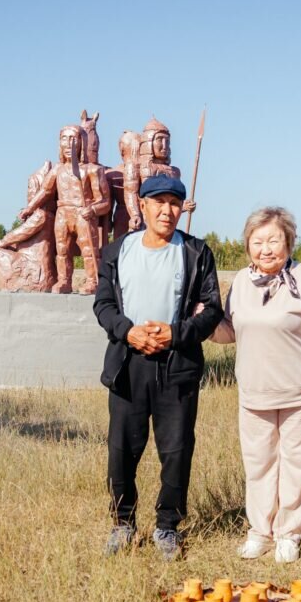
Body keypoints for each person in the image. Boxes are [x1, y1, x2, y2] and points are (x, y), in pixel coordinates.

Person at [93, 174, 222, 559]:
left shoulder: (197, 253)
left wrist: (177, 333)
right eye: (159, 202)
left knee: (177, 448)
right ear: (143, 206)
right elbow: (103, 305)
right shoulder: (117, 252)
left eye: (174, 203)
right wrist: (127, 331)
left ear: (182, 209)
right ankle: (123, 523)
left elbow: (213, 309)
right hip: (128, 364)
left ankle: (168, 527)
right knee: (122, 448)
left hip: (176, 366)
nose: (167, 211)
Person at [210, 207, 301, 563]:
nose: (266, 248)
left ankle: (289, 534)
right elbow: (229, 332)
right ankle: (259, 532)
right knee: (259, 466)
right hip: (254, 394)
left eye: (274, 240)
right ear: (247, 245)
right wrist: (201, 320)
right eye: (258, 241)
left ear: (289, 242)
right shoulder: (240, 282)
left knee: (298, 466)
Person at [19, 125, 109, 294]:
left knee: (89, 251)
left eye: (73, 139)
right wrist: (29, 208)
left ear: (82, 143)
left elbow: (105, 202)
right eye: (64, 139)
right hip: (63, 214)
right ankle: (64, 281)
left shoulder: (92, 170)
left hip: (83, 214)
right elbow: (45, 191)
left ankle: (92, 282)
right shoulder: (57, 170)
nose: (69, 144)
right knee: (62, 249)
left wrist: (93, 210)